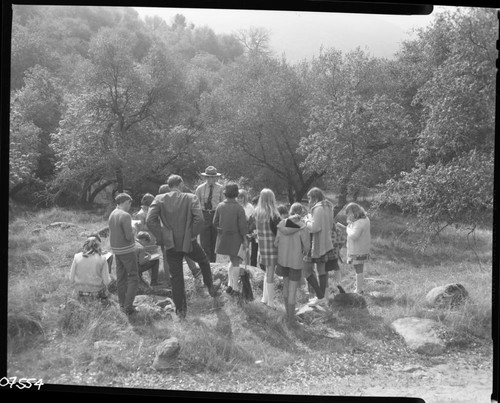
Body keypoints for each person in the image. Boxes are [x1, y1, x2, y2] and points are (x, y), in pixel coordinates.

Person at [147, 174, 222, 319]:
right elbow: (199, 219)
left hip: (170, 244)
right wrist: (192, 234)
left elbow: (150, 221)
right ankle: (211, 287)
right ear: (180, 184)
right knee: (204, 261)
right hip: (189, 241)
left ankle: (181, 312)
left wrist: (163, 237)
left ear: (169, 186)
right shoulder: (190, 197)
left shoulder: (159, 199)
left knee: (176, 278)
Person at [157, 184, 203, 288]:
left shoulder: (160, 202)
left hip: (165, 233)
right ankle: (193, 271)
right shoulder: (170, 202)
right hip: (175, 233)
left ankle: (170, 280)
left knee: (167, 256)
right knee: (180, 252)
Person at [274, 203, 310, 326]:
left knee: (285, 286)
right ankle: (291, 319)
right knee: (292, 290)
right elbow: (307, 248)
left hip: (282, 260)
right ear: (300, 216)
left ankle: (287, 313)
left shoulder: (281, 224)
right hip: (295, 261)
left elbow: (276, 242)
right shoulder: (303, 227)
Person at [214, 183, 248, 296]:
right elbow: (243, 226)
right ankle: (235, 288)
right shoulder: (239, 208)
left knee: (231, 261)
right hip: (236, 238)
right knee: (236, 261)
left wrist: (222, 229)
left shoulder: (220, 206)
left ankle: (229, 284)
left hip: (224, 238)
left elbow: (215, 222)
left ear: (225, 193)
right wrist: (245, 239)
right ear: (236, 193)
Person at [303, 187, 334, 306]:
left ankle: (320, 296)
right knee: (321, 270)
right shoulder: (328, 207)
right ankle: (321, 298)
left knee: (306, 270)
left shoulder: (317, 208)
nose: (308, 201)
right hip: (326, 242)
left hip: (316, 243)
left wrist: (306, 221)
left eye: (309, 198)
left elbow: (315, 228)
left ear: (315, 198)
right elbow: (330, 225)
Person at [108, 193, 139, 315]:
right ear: (127, 202)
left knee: (121, 278)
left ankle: (122, 304)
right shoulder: (125, 215)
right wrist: (135, 229)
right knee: (133, 277)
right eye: (129, 204)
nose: (129, 207)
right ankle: (128, 306)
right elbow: (128, 237)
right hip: (127, 250)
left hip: (116, 250)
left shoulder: (112, 213)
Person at [254, 188, 281, 308]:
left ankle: (264, 299)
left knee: (266, 273)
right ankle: (271, 302)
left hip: (262, 246)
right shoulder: (274, 214)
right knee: (270, 274)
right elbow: (279, 230)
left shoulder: (257, 213)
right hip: (272, 246)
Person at [337, 202, 371, 294]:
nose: (348, 216)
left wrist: (347, 228)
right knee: (359, 267)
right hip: (362, 248)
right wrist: (350, 226)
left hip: (358, 250)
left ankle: (359, 289)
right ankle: (359, 287)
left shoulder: (359, 223)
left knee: (358, 268)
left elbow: (354, 236)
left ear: (353, 212)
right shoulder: (365, 219)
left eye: (348, 214)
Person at [69, 236, 111, 305]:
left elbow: (71, 279)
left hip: (80, 291)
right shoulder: (102, 259)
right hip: (97, 292)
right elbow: (106, 281)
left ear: (85, 245)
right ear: (98, 246)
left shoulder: (76, 257)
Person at [195, 166, 225, 263]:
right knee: (204, 241)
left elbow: (223, 203)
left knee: (215, 241)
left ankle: (213, 262)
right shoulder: (199, 189)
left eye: (213, 177)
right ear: (206, 178)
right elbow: (196, 203)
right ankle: (206, 262)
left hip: (215, 214)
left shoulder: (220, 188)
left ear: (216, 177)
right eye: (209, 177)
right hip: (204, 214)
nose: (211, 179)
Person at [237, 189, 257, 267]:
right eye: (238, 198)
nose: (240, 199)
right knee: (237, 250)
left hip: (247, 230)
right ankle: (238, 265)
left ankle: (247, 266)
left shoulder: (249, 207)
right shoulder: (235, 205)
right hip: (237, 230)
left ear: (245, 198)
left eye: (241, 198)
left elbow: (249, 219)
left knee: (246, 249)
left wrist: (241, 212)